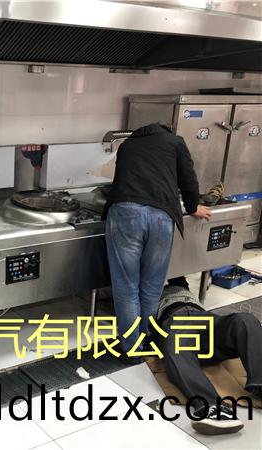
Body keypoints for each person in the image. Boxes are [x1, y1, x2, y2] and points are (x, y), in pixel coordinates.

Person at [104, 123, 212, 354]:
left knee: (126, 287)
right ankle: (148, 339)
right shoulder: (175, 142)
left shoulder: (127, 145)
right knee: (152, 286)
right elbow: (188, 179)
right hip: (161, 216)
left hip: (125, 213)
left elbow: (122, 179)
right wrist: (193, 206)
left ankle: (131, 348)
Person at [155, 277, 262, 435]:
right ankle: (213, 407)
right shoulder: (145, 291)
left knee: (245, 320)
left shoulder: (177, 282)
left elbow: (178, 271)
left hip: (206, 319)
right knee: (177, 346)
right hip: (176, 321)